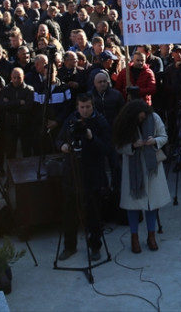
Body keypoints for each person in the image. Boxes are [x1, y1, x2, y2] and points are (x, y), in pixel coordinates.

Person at [56, 92, 112, 261]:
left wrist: (91, 137)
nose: (85, 110)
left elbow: (106, 149)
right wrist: (63, 146)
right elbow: (58, 139)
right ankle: (69, 246)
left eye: (88, 107)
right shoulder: (71, 120)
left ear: (92, 106)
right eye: (82, 107)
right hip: (72, 171)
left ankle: (95, 246)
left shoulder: (100, 122)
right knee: (69, 210)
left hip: (92, 173)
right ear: (77, 107)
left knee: (93, 211)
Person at [113, 99, 170, 253]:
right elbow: (118, 146)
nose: (142, 119)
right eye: (139, 118)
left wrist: (155, 141)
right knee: (133, 205)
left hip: (152, 167)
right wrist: (132, 145)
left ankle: (151, 236)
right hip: (132, 168)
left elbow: (164, 136)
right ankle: (134, 237)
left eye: (143, 117)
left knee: (153, 204)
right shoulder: (125, 124)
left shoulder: (154, 117)